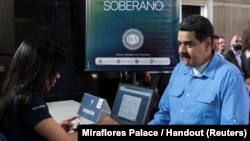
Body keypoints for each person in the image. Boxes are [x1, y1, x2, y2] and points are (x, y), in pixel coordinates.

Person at [0, 37, 118, 141]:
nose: (58, 75)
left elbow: (24, 131)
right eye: (54, 70)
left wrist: (54, 129)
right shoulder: (31, 101)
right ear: (40, 70)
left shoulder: (14, 94)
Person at [148, 15, 249, 125]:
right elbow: (164, 114)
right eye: (180, 44)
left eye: (189, 44)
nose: (181, 50)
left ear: (207, 44)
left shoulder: (231, 78)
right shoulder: (179, 69)